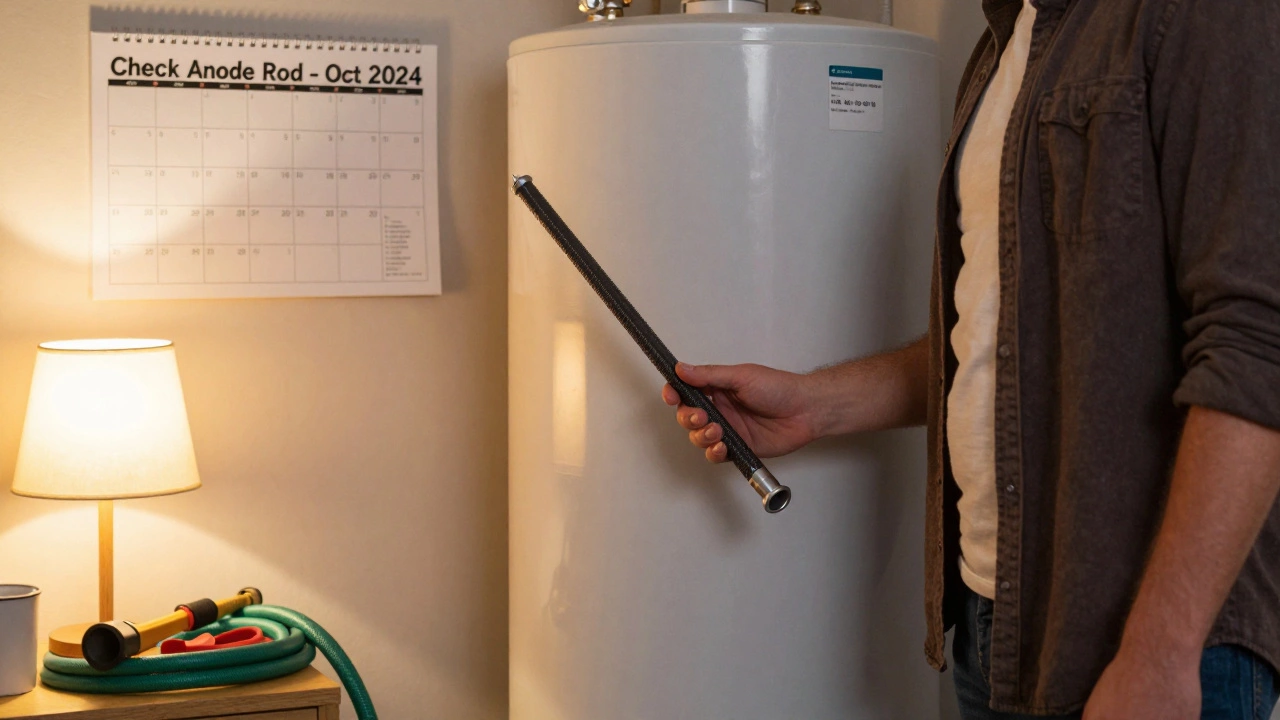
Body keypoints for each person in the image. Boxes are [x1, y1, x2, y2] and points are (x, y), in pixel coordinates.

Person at [662, 0, 1280, 718]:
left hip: (1149, 645)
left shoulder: (1206, 15)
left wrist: (1161, 649)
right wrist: (813, 404)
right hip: (996, 625)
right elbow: (1011, 342)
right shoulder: (1001, 49)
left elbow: (1256, 345)